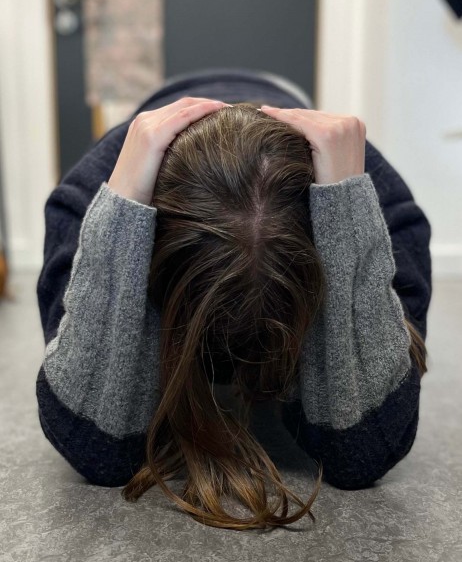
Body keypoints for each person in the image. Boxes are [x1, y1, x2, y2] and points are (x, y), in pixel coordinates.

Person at [35, 68, 432, 531]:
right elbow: (97, 447)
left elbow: (362, 451)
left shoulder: (380, 204)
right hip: (168, 101)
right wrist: (123, 220)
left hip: (280, 94)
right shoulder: (88, 198)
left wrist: (344, 219)